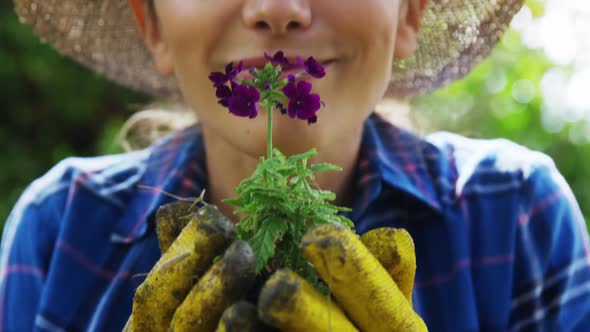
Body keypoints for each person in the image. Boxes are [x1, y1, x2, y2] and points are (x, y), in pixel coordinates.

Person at [2, 0, 590, 330]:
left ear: (410, 12)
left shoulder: (514, 213)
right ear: (152, 24)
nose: (278, 9)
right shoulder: (61, 227)